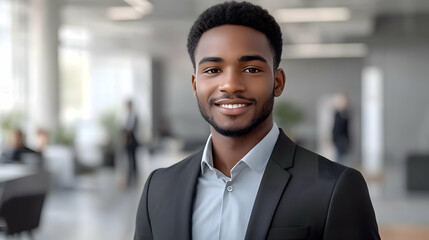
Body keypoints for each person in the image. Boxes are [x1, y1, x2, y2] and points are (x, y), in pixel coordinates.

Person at [134, 2, 380, 240]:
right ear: (195, 85)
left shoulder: (335, 188)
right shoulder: (158, 188)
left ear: (278, 82)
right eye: (212, 70)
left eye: (251, 69)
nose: (230, 85)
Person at [123, 100, 139, 187]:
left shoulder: (134, 116)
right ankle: (129, 178)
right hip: (128, 142)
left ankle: (134, 177)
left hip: (132, 141)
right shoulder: (126, 116)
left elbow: (132, 129)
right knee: (129, 160)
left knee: (133, 160)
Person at [332, 93, 351, 164]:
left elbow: (346, 129)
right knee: (338, 159)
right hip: (338, 139)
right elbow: (335, 128)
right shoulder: (337, 113)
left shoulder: (345, 114)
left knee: (341, 160)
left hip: (343, 140)